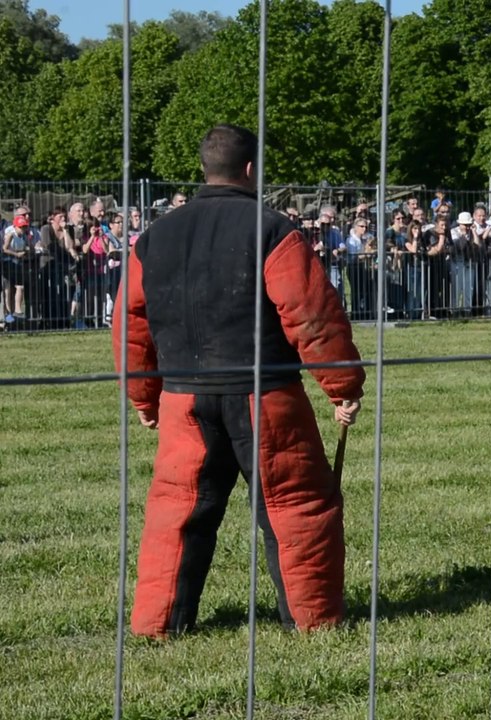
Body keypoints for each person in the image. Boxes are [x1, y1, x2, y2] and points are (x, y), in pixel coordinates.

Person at [113, 124, 365, 638]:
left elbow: (130, 324)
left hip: (184, 399)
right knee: (297, 506)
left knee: (176, 512)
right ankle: (314, 622)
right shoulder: (273, 230)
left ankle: (157, 625)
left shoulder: (154, 237)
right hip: (266, 397)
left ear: (204, 168)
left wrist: (143, 395)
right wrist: (342, 386)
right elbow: (312, 316)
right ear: (251, 170)